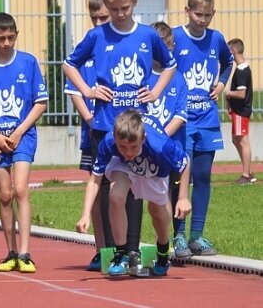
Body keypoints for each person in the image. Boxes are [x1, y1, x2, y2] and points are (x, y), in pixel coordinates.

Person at [63, 0, 176, 269]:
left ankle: (136, 249)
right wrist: (88, 90)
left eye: (124, 8)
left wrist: (155, 92)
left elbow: (170, 65)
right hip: (104, 124)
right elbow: (68, 64)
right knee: (110, 191)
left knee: (139, 191)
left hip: (137, 126)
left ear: (134, 2)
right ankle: (113, 252)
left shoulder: (147, 35)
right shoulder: (97, 35)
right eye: (113, 9)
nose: (119, 14)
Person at [0, 12, 48, 273]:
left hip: (23, 136)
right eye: (0, 38)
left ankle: (25, 253)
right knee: (5, 194)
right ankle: (11, 252)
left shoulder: (28, 62)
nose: (6, 43)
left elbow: (40, 102)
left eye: (11, 37)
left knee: (21, 189)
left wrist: (18, 132)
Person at [77, 110, 191, 277]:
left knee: (157, 211)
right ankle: (121, 254)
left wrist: (182, 197)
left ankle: (163, 250)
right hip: (124, 167)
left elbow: (185, 162)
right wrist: (85, 214)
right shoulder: (109, 142)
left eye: (133, 147)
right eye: (122, 146)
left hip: (155, 168)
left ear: (143, 138)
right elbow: (95, 181)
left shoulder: (160, 146)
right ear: (115, 137)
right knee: (115, 196)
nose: (128, 152)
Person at [171, 0, 234, 257]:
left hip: (207, 119)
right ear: (187, 11)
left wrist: (220, 84)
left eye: (208, 15)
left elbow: (228, 63)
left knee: (203, 176)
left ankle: (197, 235)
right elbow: (162, 67)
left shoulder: (216, 39)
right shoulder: (175, 37)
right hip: (182, 121)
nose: (202, 20)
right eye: (198, 14)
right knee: (180, 177)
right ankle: (179, 235)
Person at [64, 0, 110, 270]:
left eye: (103, 17)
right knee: (97, 186)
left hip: (120, 130)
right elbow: (74, 90)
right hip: (94, 131)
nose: (98, 22)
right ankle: (101, 247)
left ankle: (124, 246)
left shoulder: (121, 43)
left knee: (122, 188)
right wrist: (91, 120)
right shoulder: (89, 44)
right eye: (94, 17)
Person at [146, 22, 189, 262]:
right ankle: (130, 246)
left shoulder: (179, 79)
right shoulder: (142, 75)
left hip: (170, 146)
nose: (166, 52)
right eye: (160, 48)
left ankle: (176, 237)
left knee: (172, 192)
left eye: (169, 47)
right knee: (153, 200)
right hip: (145, 148)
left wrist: (160, 138)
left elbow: (180, 115)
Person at [225, 38, 255, 184]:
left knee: (242, 140)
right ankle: (248, 171)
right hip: (238, 111)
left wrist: (228, 93)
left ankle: (246, 174)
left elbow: (242, 94)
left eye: (228, 50)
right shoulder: (241, 68)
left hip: (242, 111)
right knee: (236, 139)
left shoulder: (242, 70)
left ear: (234, 51)